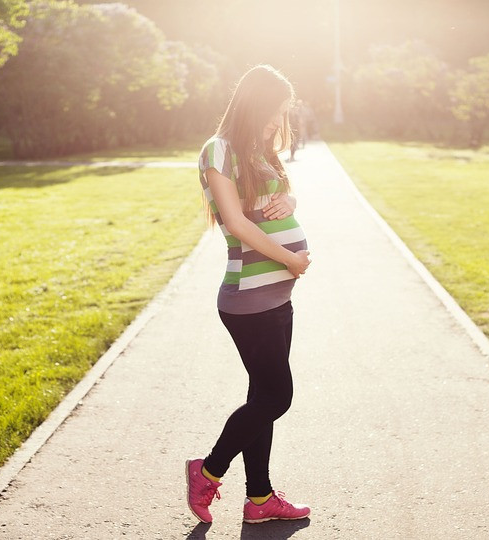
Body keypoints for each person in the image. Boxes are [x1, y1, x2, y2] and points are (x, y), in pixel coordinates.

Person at [186, 65, 313, 525]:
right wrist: (291, 258)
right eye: (271, 114)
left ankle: (259, 501)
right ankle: (208, 470)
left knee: (262, 396)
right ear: (253, 105)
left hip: (277, 296)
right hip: (248, 299)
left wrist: (292, 203)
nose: (274, 125)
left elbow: (282, 194)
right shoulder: (217, 151)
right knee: (277, 397)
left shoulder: (258, 150)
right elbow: (237, 222)